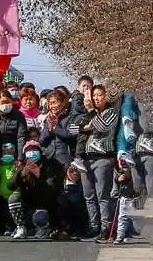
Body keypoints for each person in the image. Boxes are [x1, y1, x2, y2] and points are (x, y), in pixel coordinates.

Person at [76, 84, 119, 241]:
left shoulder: (111, 112)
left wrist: (91, 116)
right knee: (89, 195)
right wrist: (87, 124)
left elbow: (102, 126)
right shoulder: (89, 113)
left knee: (103, 194)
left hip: (103, 158)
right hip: (85, 160)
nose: (96, 98)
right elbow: (74, 128)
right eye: (94, 96)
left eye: (100, 95)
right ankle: (94, 226)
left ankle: (106, 227)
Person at [40, 89, 77, 169]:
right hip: (49, 159)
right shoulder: (49, 119)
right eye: (50, 103)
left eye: (55, 102)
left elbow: (73, 136)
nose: (52, 106)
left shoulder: (73, 117)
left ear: (63, 102)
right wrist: (49, 131)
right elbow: (41, 140)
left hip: (66, 160)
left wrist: (56, 128)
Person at [0, 90, 28, 160]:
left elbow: (21, 137)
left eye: (7, 102)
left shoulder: (19, 115)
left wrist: (20, 158)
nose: (5, 105)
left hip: (14, 153)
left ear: (12, 101)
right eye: (2, 102)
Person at [113, 157, 136, 244]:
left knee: (133, 218)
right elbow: (118, 177)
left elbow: (129, 174)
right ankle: (120, 235)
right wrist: (119, 178)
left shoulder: (135, 170)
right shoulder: (122, 170)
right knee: (123, 217)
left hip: (134, 196)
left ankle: (128, 234)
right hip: (125, 196)